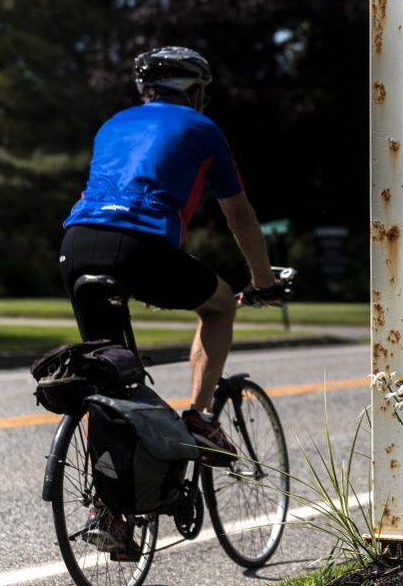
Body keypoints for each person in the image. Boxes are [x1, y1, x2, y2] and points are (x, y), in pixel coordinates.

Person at [59, 46, 284, 461]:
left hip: (76, 243)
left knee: (104, 373)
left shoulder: (113, 123)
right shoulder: (202, 127)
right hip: (139, 247)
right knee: (219, 306)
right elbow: (241, 217)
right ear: (193, 90)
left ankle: (108, 515)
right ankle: (199, 418)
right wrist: (263, 282)